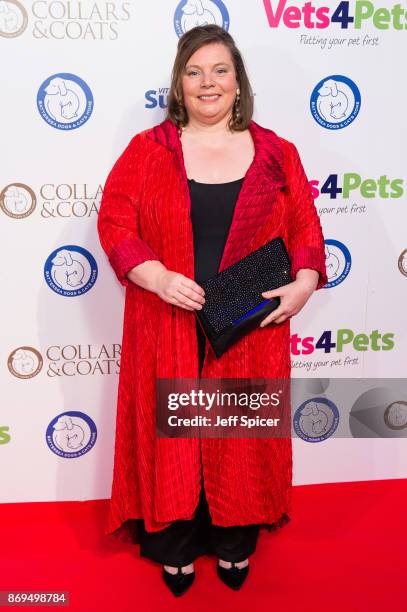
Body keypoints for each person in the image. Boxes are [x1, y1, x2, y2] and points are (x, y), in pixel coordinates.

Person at [97, 24, 327, 596]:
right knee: (174, 437)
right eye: (194, 71)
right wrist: (156, 276)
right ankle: (175, 547)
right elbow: (115, 223)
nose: (208, 83)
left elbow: (304, 225)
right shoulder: (148, 151)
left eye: (219, 70)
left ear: (238, 81)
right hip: (168, 319)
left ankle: (234, 544)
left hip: (249, 324)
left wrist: (303, 283)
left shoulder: (278, 153)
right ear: (179, 83)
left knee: (239, 438)